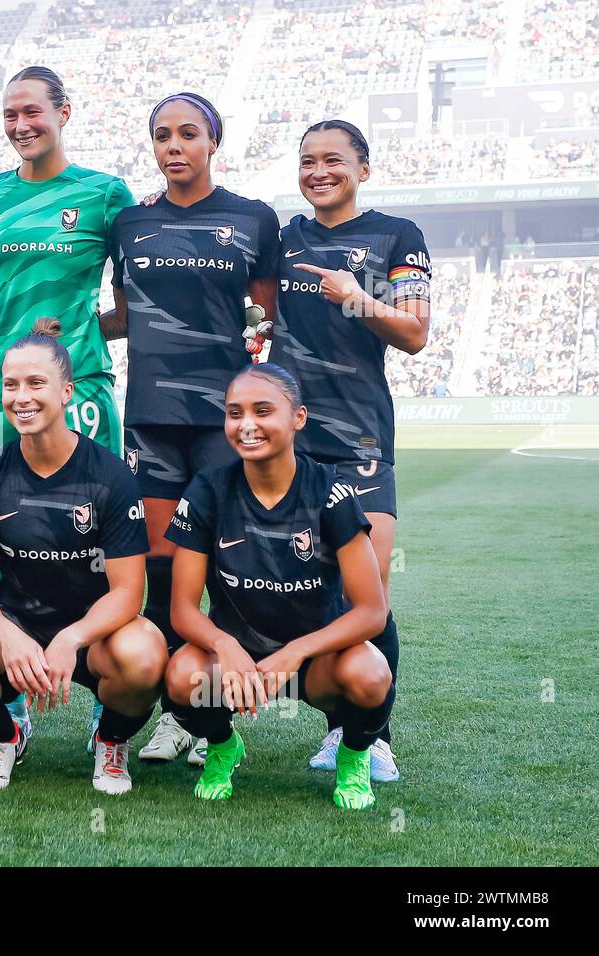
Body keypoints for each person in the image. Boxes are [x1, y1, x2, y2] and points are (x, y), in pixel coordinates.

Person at [102, 91, 281, 764]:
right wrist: (64, 333)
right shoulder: (130, 224)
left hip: (223, 421)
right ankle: (179, 714)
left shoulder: (253, 219)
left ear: (214, 142)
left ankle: (217, 703)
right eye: (161, 136)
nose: (173, 145)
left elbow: (262, 324)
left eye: (187, 134)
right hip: (150, 415)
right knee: (160, 564)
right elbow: (124, 316)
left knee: (220, 561)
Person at [0, 320, 165, 794]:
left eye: (36, 383)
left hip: (95, 634)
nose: (22, 397)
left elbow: (128, 593)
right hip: (20, 623)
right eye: (10, 385)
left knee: (146, 654)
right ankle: (5, 737)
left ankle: (110, 740)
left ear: (67, 391)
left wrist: (72, 639)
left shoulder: (110, 476)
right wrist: (9, 636)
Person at [273, 120, 430, 782]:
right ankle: (339, 730)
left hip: (362, 438)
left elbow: (416, 332)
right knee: (315, 590)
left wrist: (357, 297)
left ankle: (377, 735)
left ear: (363, 168)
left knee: (371, 588)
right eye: (307, 161)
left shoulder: (397, 236)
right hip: (290, 442)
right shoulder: (283, 239)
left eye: (333, 159)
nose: (318, 171)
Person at [164, 363, 394, 810]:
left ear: (298, 418)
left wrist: (295, 653)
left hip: (315, 666)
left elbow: (371, 612)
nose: (246, 425)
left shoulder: (331, 492)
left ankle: (354, 754)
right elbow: (183, 611)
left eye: (263, 411)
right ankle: (222, 745)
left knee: (370, 673)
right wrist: (224, 645)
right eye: (235, 413)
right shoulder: (207, 491)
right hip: (238, 667)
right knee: (180, 677)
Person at [0, 67, 134, 475]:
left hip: (77, 382)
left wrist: (82, 329)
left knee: (91, 518)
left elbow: (131, 305)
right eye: (10, 115)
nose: (20, 126)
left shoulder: (105, 194)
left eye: (32, 112)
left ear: (64, 113)